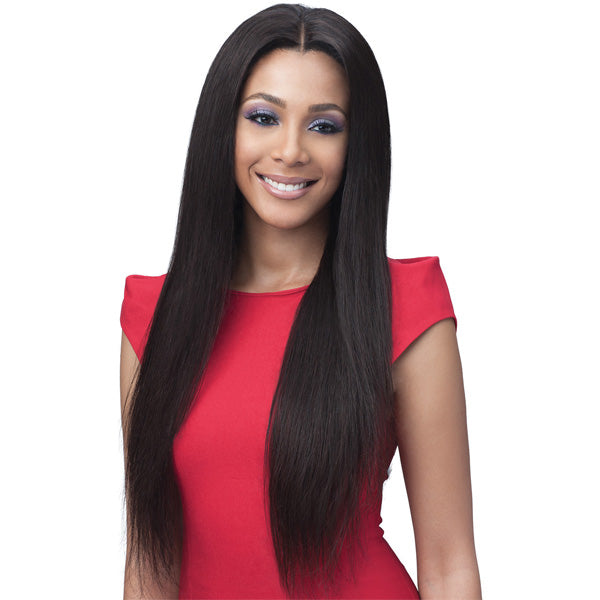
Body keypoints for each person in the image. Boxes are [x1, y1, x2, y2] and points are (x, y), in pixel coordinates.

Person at [119, 3, 482, 599]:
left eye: (324, 126)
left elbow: (448, 566)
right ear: (223, 127)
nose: (290, 150)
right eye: (264, 117)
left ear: (357, 144)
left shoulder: (406, 309)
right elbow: (149, 559)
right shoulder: (153, 316)